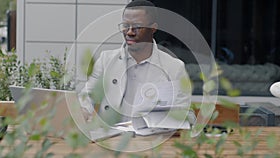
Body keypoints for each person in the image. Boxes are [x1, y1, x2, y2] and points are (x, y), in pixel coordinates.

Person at [79, 0, 195, 129]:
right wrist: (82, 113)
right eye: (125, 25)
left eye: (137, 27)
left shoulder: (174, 67)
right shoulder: (106, 60)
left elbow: (184, 114)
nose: (129, 32)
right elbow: (87, 97)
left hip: (151, 141)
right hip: (110, 139)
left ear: (153, 28)